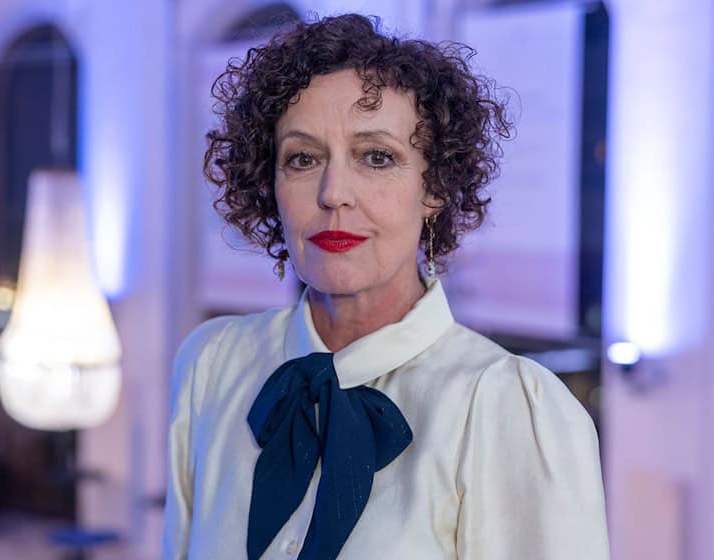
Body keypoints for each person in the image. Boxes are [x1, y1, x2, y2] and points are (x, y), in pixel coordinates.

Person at [163, 13, 609, 560]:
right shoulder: (211, 365)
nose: (334, 194)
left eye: (377, 157)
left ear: (435, 188)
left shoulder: (504, 405)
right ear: (269, 183)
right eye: (302, 158)